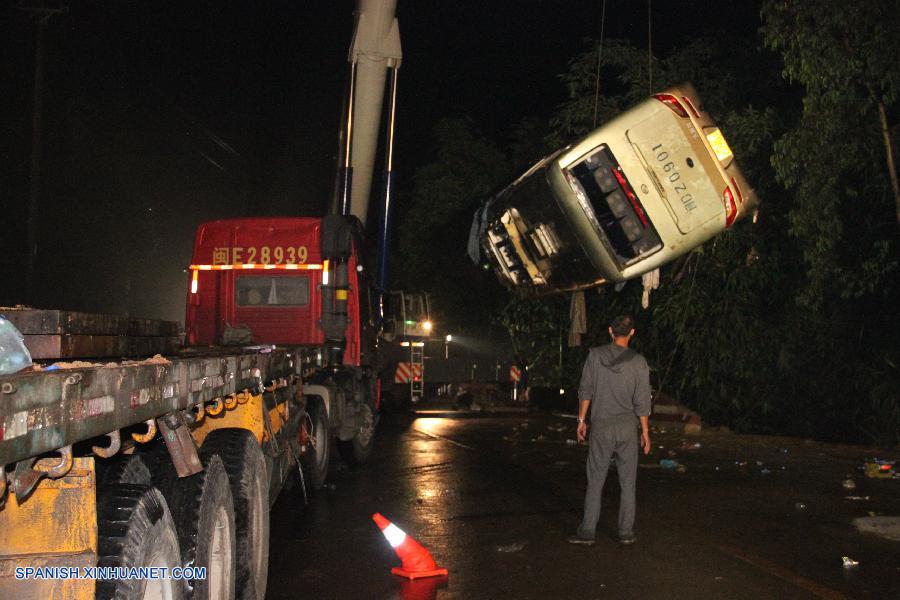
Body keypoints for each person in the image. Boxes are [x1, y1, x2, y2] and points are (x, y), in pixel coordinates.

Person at [568, 315, 651, 546]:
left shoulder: (595, 356)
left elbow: (586, 391)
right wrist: (644, 432)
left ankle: (587, 531)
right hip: (627, 428)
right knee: (628, 482)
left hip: (602, 426)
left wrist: (581, 420)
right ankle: (625, 532)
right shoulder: (638, 362)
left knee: (595, 480)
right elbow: (642, 401)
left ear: (610, 331)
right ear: (632, 332)